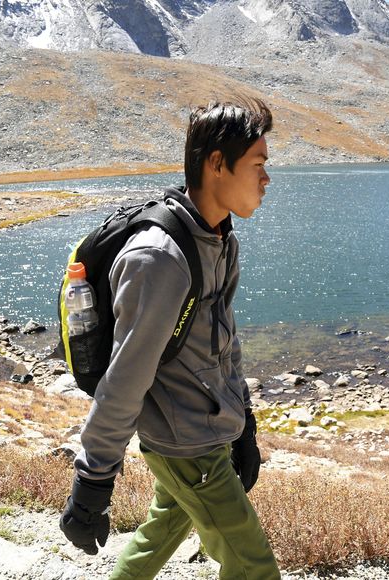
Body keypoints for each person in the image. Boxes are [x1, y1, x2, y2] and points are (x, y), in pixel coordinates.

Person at [59, 98, 281, 580]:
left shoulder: (219, 238)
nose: (267, 178)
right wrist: (93, 478)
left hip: (202, 431)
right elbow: (126, 376)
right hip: (187, 445)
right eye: (258, 164)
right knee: (253, 567)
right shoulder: (159, 259)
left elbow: (225, 343)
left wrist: (244, 423)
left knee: (161, 532)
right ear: (217, 164)